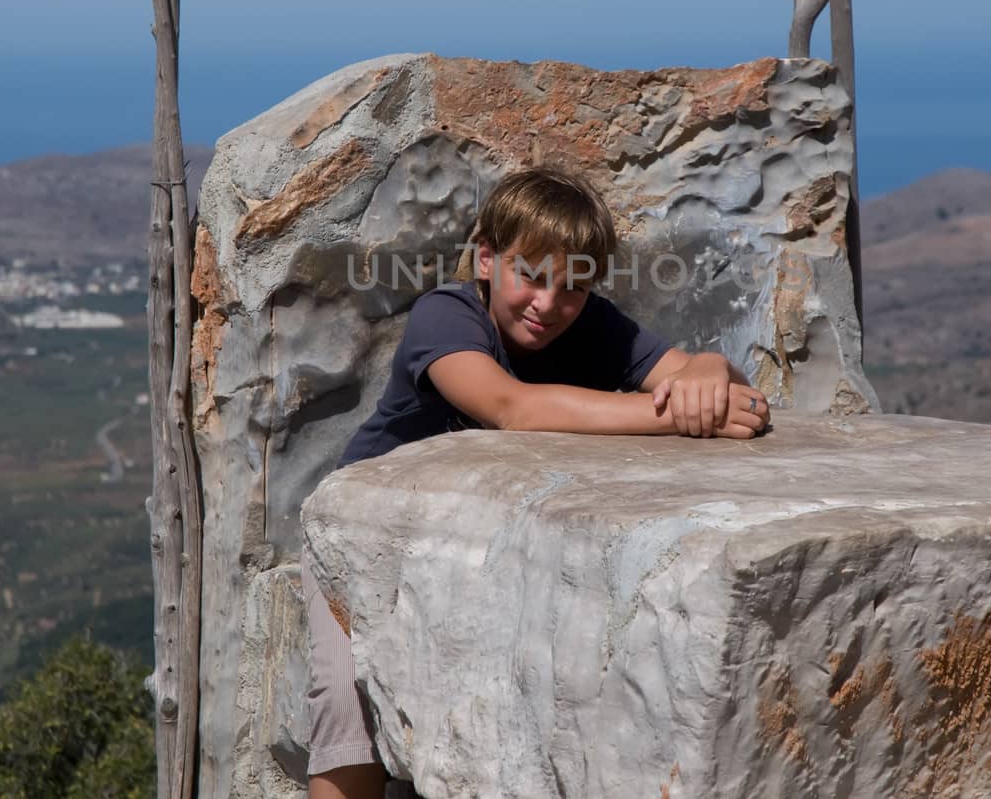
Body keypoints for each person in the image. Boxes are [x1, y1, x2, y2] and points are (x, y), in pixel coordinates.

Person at [305, 166, 770, 799]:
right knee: (345, 709)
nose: (548, 304)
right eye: (531, 276)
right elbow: (511, 408)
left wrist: (710, 370)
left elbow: (705, 379)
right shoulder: (446, 316)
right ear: (488, 260)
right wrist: (674, 413)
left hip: (472, 542)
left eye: (574, 287)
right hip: (360, 534)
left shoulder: (596, 326)